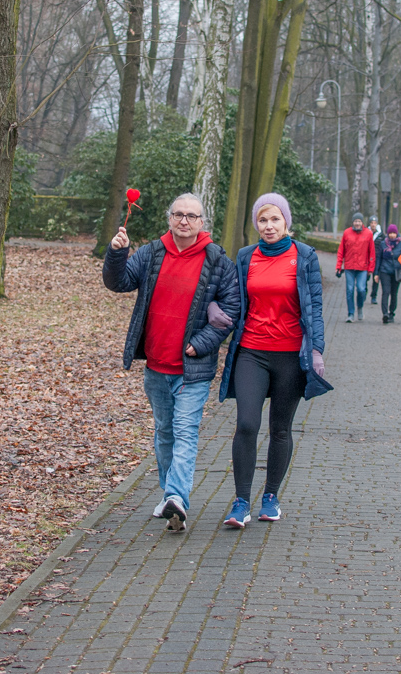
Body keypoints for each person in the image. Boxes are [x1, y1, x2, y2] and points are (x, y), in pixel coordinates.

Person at [103, 193, 240, 532]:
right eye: (178, 214)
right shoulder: (151, 253)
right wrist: (117, 252)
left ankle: (177, 497)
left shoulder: (217, 260)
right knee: (164, 432)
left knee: (185, 431)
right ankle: (169, 495)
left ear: (202, 222)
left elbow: (230, 310)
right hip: (156, 366)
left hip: (192, 369)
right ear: (169, 219)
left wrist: (201, 343)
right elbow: (117, 282)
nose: (184, 221)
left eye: (191, 216)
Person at [212, 193, 330, 529]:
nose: (268, 226)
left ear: (286, 222)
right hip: (252, 351)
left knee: (280, 428)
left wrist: (317, 349)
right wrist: (215, 312)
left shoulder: (304, 256)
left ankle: (271, 496)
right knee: (247, 424)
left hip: (291, 355)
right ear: (256, 224)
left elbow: (315, 307)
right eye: (262, 220)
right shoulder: (246, 256)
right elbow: (234, 298)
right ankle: (240, 502)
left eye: (275, 219)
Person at [335, 212, 376, 322]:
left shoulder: (368, 234)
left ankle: (360, 306)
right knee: (350, 290)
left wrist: (371, 269)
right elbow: (341, 251)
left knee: (361, 289)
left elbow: (371, 252)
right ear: (352, 222)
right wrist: (339, 266)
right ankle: (351, 313)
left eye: (359, 221)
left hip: (363, 267)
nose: (357, 223)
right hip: (349, 266)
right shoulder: (347, 233)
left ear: (362, 223)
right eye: (355, 221)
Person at [375, 224, 401, 324]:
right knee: (385, 292)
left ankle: (392, 312)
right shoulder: (383, 244)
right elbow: (379, 258)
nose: (392, 235)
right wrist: (376, 273)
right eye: (390, 233)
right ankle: (385, 313)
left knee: (394, 293)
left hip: (396, 272)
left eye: (394, 233)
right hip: (385, 271)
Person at [368, 216, 383, 303]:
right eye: (372, 223)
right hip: (367, 259)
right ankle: (364, 291)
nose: (373, 224)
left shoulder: (381, 234)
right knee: (366, 277)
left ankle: (374, 296)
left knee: (376, 278)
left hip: (377, 259)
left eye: (375, 223)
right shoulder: (366, 232)